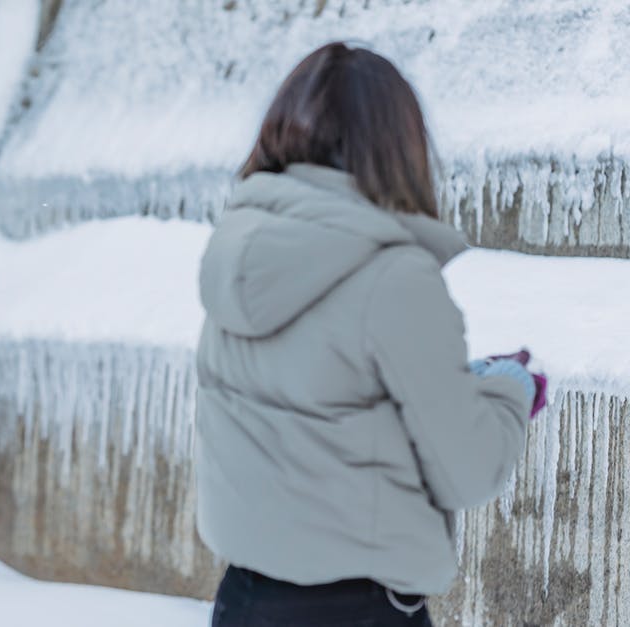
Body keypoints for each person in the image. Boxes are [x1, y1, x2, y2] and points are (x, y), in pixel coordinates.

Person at [194, 42, 548, 626]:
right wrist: (508, 388)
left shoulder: (238, 250)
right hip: (356, 609)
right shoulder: (395, 278)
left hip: (242, 602)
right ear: (398, 144)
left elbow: (321, 402)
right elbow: (468, 469)